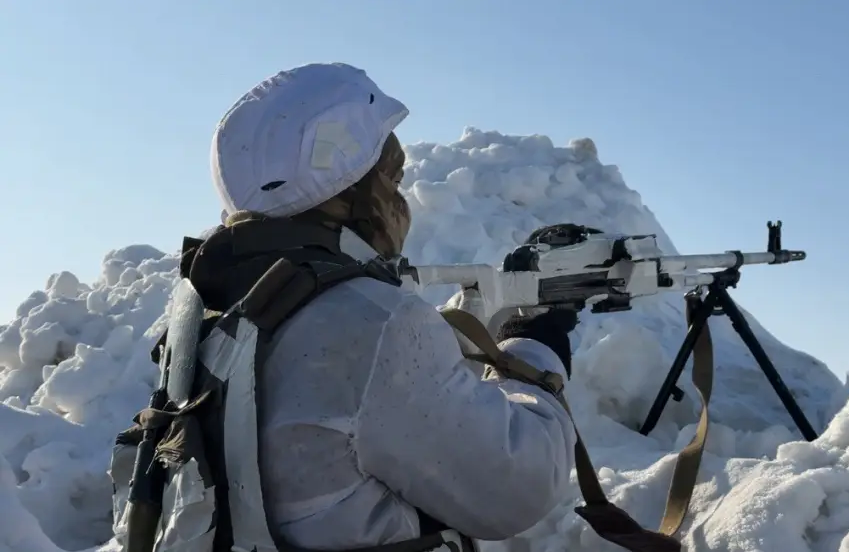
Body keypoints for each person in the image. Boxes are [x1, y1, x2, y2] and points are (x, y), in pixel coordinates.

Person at [190, 63, 577, 551]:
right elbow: (521, 484)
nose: (401, 201)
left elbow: (354, 395)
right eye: (391, 181)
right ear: (348, 192)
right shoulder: (370, 323)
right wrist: (536, 351)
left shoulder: (227, 309)